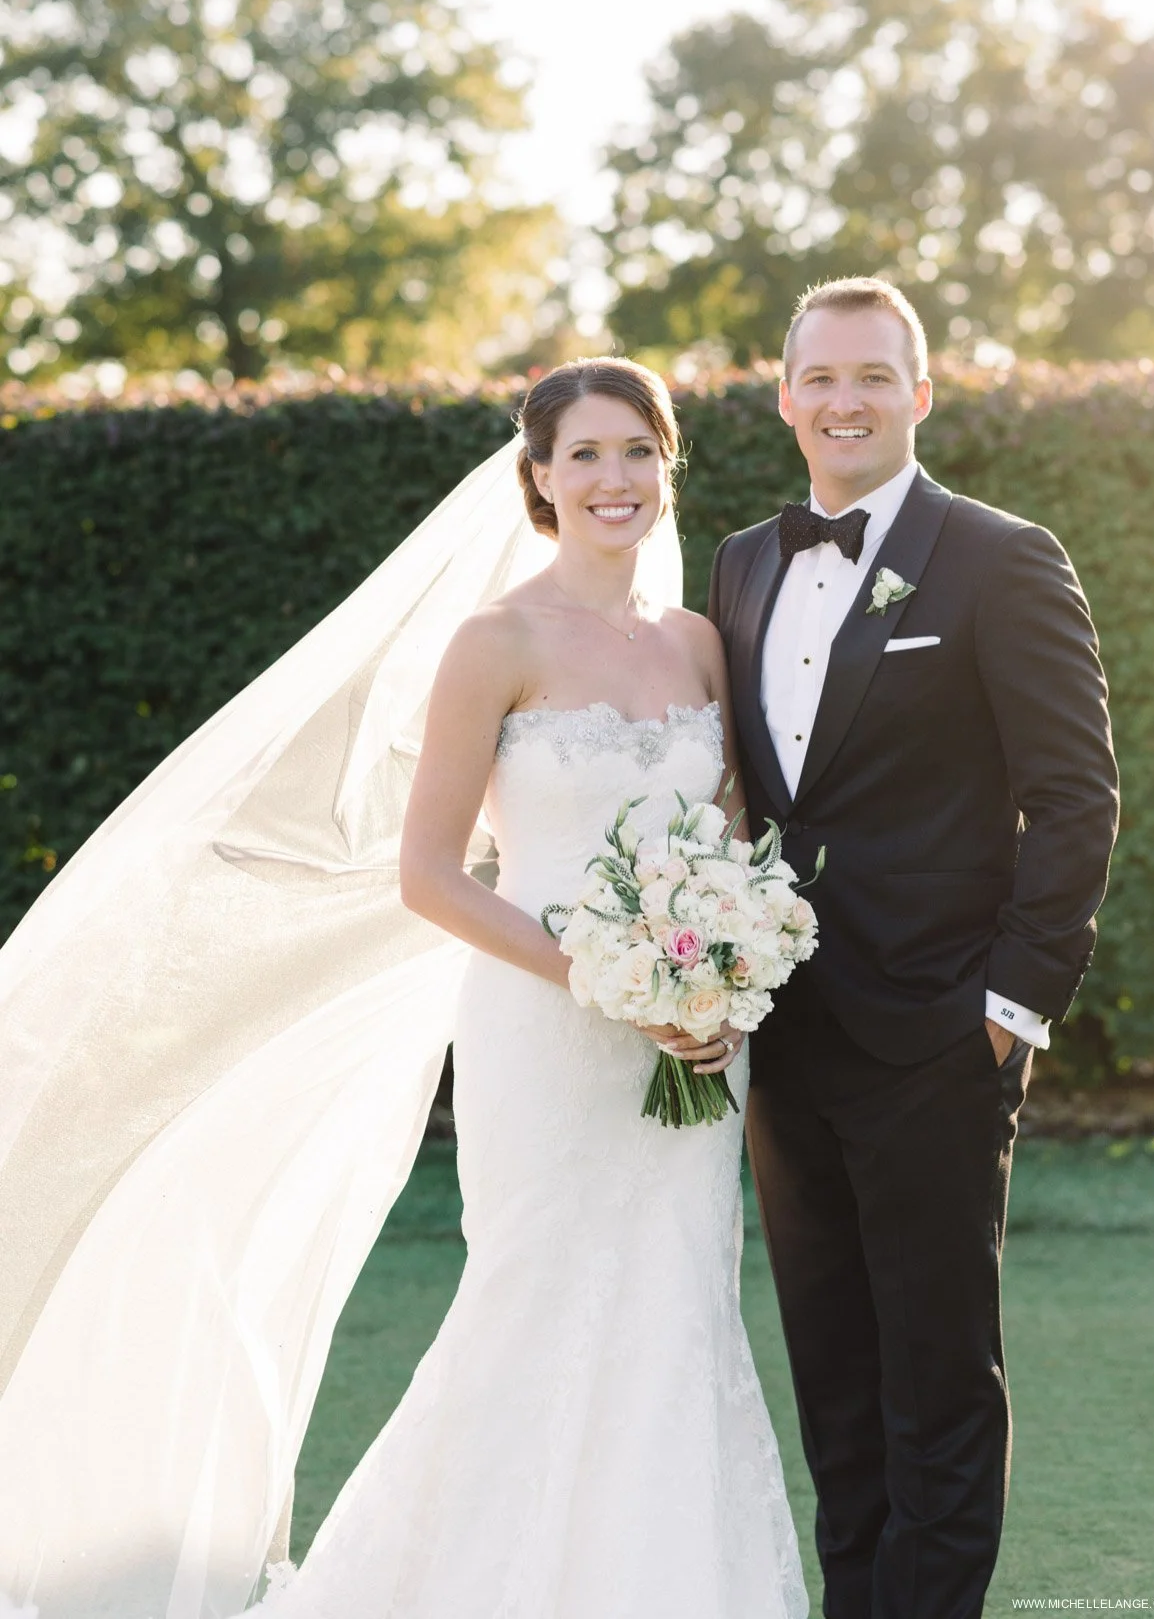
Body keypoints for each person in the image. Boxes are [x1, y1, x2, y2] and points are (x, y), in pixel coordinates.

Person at [0, 359, 806, 1619]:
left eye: (637, 452)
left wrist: (723, 985)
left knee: (676, 1309)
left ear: (669, 469)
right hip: (546, 1032)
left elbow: (735, 841)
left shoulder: (701, 643)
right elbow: (428, 875)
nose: (614, 479)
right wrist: (606, 979)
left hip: (692, 1039)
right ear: (536, 479)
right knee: (535, 1295)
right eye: (583, 455)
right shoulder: (492, 643)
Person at [708, 277, 1119, 1619]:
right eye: (821, 376)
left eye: (875, 375)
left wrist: (1012, 1000)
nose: (846, 400)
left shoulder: (1004, 556)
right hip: (785, 1038)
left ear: (920, 392)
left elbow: (1076, 790)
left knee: (938, 1382)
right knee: (834, 1376)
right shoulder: (742, 563)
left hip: (942, 1035)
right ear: (784, 395)